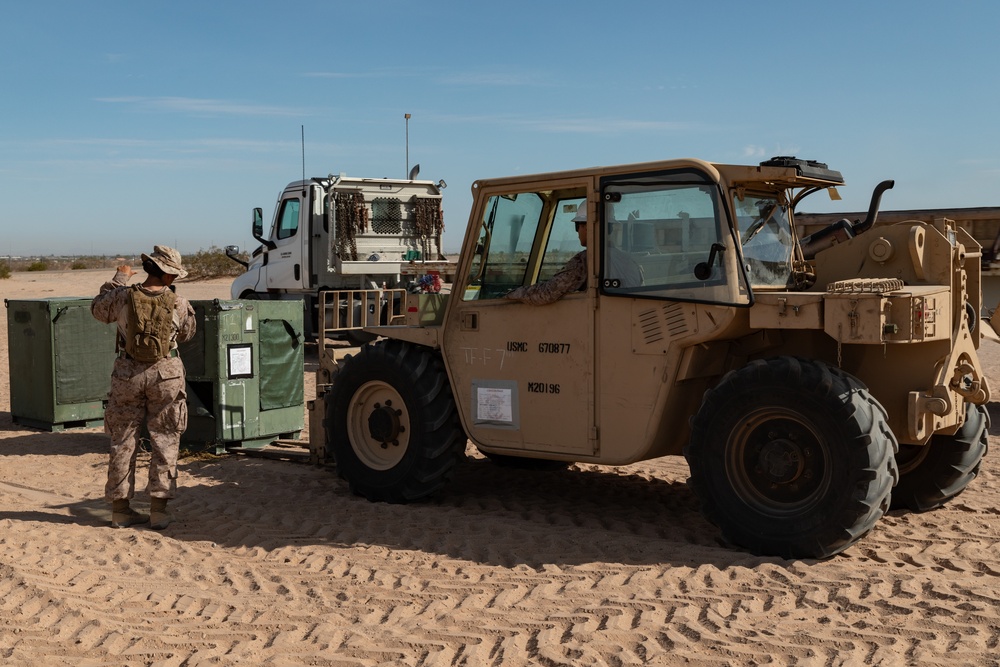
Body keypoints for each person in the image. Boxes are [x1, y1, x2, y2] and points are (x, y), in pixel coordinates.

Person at [91, 246, 197, 530]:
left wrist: (119, 278)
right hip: (166, 375)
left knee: (123, 440)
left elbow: (98, 309)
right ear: (168, 275)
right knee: (165, 439)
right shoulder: (179, 302)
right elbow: (187, 334)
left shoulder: (122, 295)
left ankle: (120, 510)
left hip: (127, 374)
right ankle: (159, 511)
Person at [505, 203, 589, 305]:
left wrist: (512, 295)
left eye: (577, 226)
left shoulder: (586, 260)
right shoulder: (610, 255)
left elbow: (548, 292)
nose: (577, 232)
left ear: (588, 226)